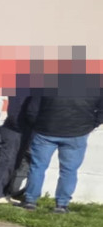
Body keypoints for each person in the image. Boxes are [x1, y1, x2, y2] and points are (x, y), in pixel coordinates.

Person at [19, 71, 103, 212]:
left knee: (38, 167)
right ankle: (62, 205)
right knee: (69, 170)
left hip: (46, 131)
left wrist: (37, 125)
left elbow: (32, 109)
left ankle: (30, 201)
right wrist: (91, 125)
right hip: (77, 132)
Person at [0, 84, 33, 203]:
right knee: (7, 161)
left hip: (22, 129)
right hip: (15, 129)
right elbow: (14, 112)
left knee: (14, 163)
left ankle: (5, 193)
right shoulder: (23, 86)